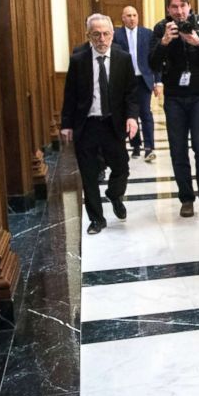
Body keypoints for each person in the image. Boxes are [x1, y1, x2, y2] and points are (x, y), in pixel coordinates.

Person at [60, 14, 139, 234]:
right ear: (89, 36)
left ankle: (114, 194)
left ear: (113, 35)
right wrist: (66, 124)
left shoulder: (123, 58)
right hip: (86, 125)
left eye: (106, 34)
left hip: (112, 124)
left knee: (121, 167)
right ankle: (97, 219)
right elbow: (70, 94)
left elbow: (131, 93)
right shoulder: (78, 59)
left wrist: (132, 117)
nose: (101, 39)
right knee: (88, 173)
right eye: (96, 34)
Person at [149, 0, 199, 218]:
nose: (179, 12)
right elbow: (151, 63)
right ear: (168, 9)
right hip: (174, 98)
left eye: (182, 6)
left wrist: (198, 42)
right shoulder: (161, 28)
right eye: (174, 7)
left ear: (189, 6)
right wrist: (164, 43)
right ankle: (186, 199)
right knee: (178, 150)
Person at [114, 6, 161, 161]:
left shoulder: (147, 34)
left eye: (134, 15)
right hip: (125, 81)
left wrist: (158, 81)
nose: (132, 18)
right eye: (128, 15)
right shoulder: (116, 35)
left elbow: (156, 59)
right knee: (129, 114)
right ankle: (135, 145)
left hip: (143, 79)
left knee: (145, 113)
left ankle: (149, 148)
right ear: (123, 18)